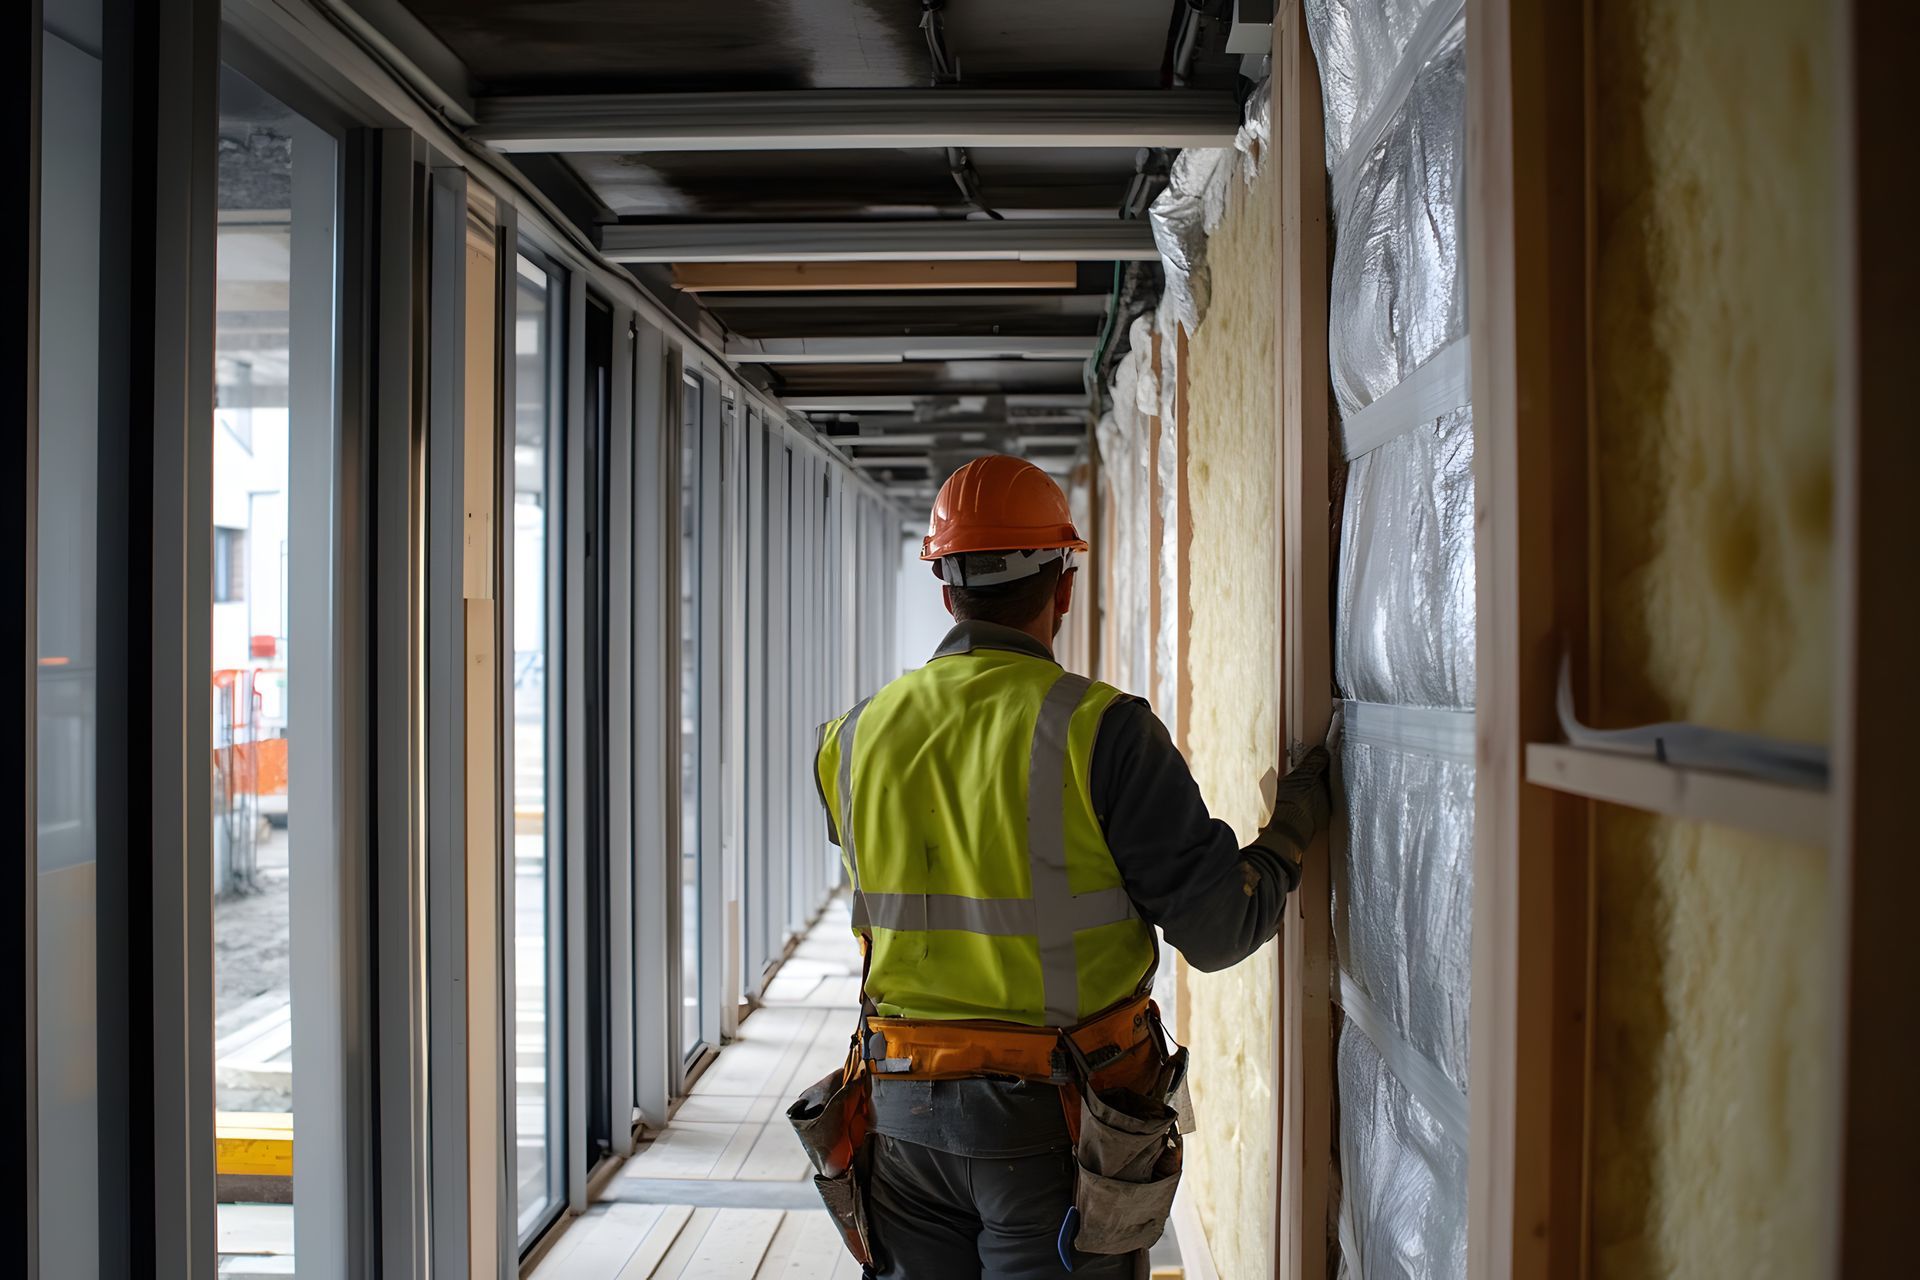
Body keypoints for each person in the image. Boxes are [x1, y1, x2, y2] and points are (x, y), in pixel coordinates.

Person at [812, 454, 1330, 1279]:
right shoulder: (1105, 732)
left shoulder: (850, 737)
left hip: (900, 1116)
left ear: (946, 591)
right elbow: (1220, 927)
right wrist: (1294, 829)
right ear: (1062, 585)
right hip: (1056, 1129)